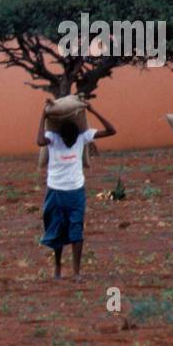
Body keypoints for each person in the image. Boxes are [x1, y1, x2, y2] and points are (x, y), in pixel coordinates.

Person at [36, 101, 117, 280]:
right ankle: (57, 266)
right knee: (56, 230)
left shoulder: (82, 137)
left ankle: (76, 272)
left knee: (76, 230)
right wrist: (43, 115)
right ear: (61, 135)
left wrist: (93, 110)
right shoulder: (53, 138)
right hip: (55, 191)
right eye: (67, 139)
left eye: (72, 139)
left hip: (76, 192)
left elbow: (112, 130)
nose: (70, 142)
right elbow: (39, 141)